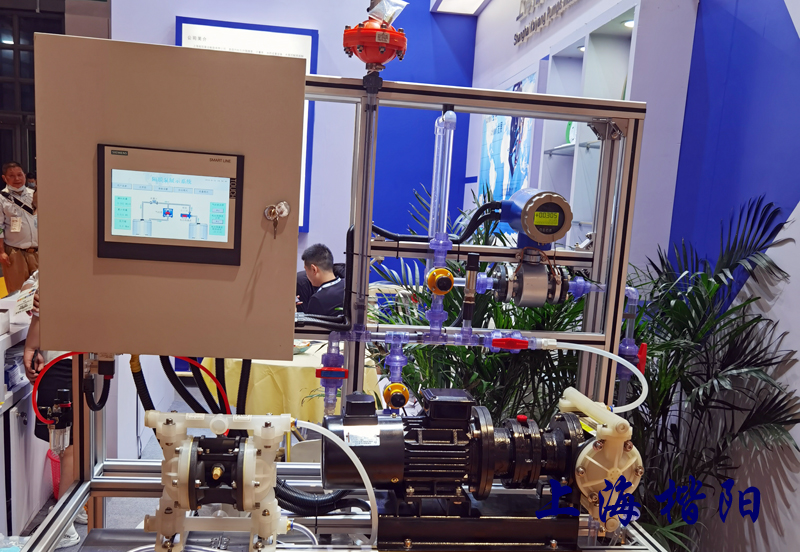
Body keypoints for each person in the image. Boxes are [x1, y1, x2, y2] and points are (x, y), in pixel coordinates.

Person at [22, 271, 87, 548]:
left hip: (64, 361)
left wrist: (30, 347)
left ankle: (64, 523)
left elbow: (40, 309)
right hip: (83, 359)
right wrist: (31, 293)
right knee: (78, 442)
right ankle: (74, 506)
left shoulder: (61, 265)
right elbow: (31, 290)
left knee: (68, 445)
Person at [0, 162, 38, 293]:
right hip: (15, 253)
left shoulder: (34, 194)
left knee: (42, 291)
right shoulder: (1, 198)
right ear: (4, 178)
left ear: (24, 175)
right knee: (17, 292)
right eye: (11, 176)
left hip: (38, 252)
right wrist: (1, 252)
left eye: (19, 175)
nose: (17, 179)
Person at [301, 244, 345, 317]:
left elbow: (310, 324)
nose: (306, 274)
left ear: (314, 269)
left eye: (306, 270)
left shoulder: (318, 299)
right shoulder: (347, 287)